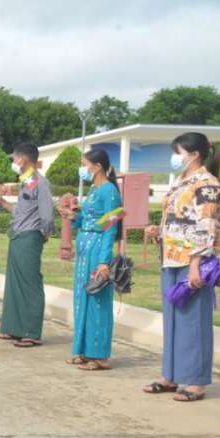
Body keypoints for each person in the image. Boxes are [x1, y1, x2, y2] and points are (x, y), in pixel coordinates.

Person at [143, 132, 220, 401]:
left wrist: (195, 264)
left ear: (195, 154)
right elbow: (179, 218)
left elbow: (206, 226)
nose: (174, 157)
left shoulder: (207, 185)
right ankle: (171, 375)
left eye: (177, 152)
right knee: (173, 319)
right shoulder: (181, 181)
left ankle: (195, 381)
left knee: (193, 320)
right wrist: (159, 231)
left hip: (192, 261)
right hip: (171, 257)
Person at [63, 148, 123, 371]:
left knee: (97, 300)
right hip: (84, 251)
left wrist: (104, 261)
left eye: (85, 164)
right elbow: (91, 220)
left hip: (97, 251)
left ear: (97, 166)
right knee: (83, 300)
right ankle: (83, 350)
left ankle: (98, 355)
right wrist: (74, 217)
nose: (83, 169)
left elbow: (110, 227)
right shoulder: (94, 189)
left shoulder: (110, 191)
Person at [0, 143, 56, 347]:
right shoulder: (26, 182)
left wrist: (44, 234)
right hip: (18, 235)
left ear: (24, 159)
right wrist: (2, 202)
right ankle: (14, 327)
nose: (13, 162)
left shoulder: (41, 183)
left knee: (30, 284)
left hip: (30, 237)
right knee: (14, 284)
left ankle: (31, 332)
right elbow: (22, 210)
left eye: (15, 158)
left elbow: (47, 214)